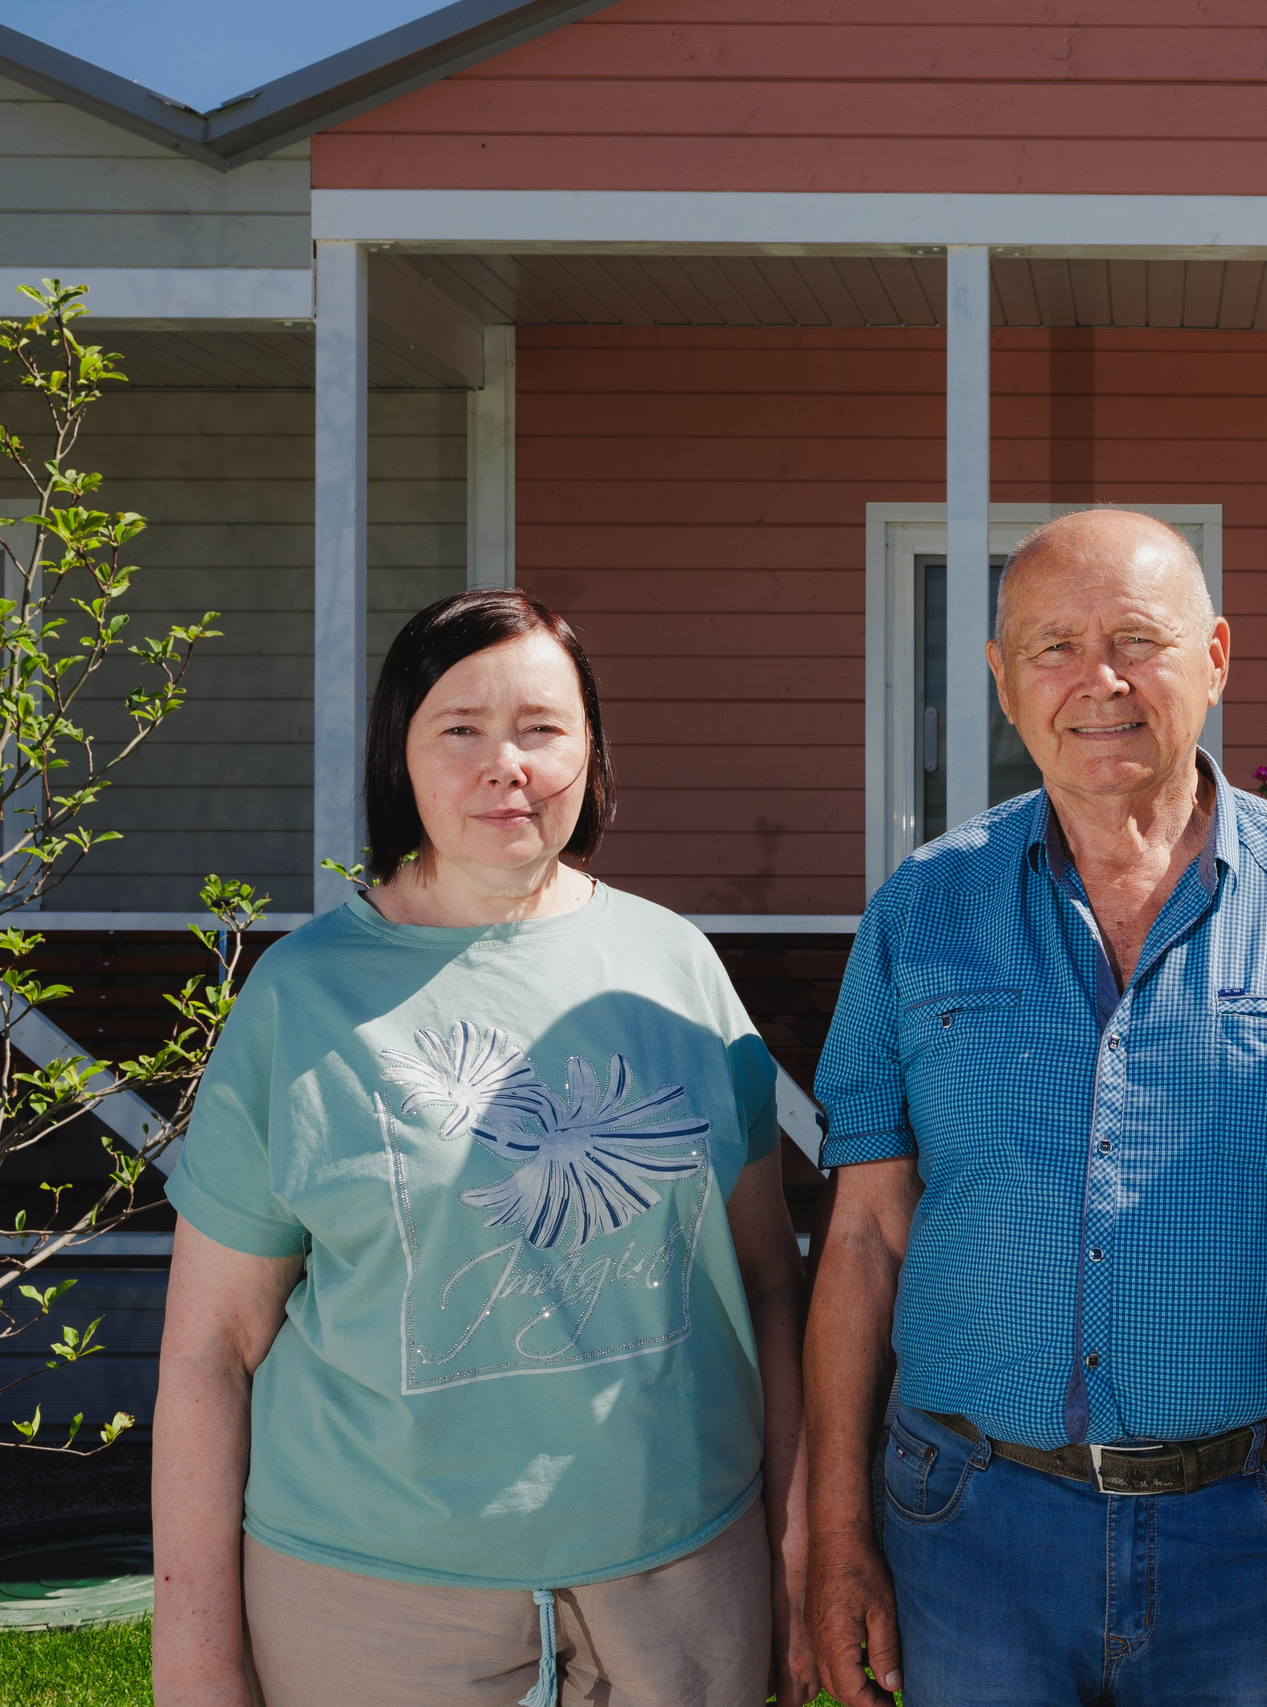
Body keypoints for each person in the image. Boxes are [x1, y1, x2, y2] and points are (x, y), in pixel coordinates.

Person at [804, 508, 1267, 1707]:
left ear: (1215, 657)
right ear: (1000, 678)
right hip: (972, 1533)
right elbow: (865, 1238)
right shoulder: (921, 909)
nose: (1099, 682)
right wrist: (836, 1536)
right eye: (1052, 647)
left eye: (1137, 639)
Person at [151, 590, 811, 1707]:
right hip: (371, 1605)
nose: (507, 765)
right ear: (398, 757)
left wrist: (796, 1548)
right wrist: (198, 1658)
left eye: (543, 728)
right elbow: (208, 1353)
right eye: (459, 729)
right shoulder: (303, 994)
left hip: (686, 1584)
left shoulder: (675, 965)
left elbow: (764, 1283)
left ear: (591, 753)